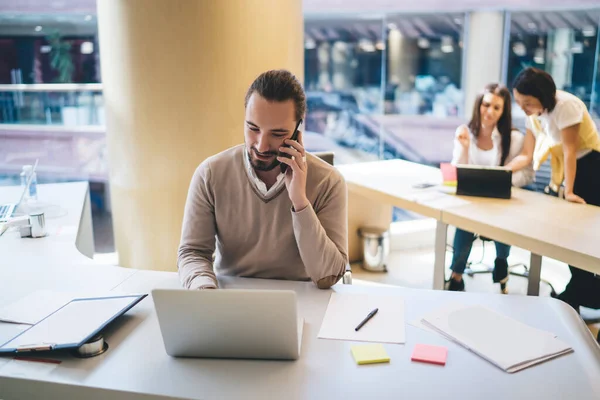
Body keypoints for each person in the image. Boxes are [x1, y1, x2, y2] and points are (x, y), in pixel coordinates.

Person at [177, 70, 348, 290]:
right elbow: (193, 253)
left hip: (303, 303)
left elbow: (328, 276)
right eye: (253, 128)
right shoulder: (210, 174)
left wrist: (299, 200)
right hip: (230, 301)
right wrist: (204, 290)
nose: (261, 145)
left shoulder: (329, 182)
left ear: (298, 130)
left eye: (277, 134)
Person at [509, 67, 600, 312]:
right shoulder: (534, 113)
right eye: (519, 103)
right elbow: (527, 154)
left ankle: (569, 300)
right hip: (569, 172)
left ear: (543, 96)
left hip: (590, 167)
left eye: (526, 102)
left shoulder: (566, 105)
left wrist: (568, 191)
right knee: (572, 243)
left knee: (586, 241)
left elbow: (571, 151)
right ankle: (571, 302)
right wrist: (502, 173)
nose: (523, 108)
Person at [447, 83, 534, 293]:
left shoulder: (513, 139)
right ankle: (456, 276)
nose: (489, 112)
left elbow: (528, 174)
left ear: (503, 112)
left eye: (497, 108)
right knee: (464, 225)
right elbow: (457, 170)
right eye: (486, 105)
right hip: (473, 202)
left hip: (501, 202)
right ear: (479, 105)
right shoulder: (466, 133)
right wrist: (465, 148)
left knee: (503, 222)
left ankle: (501, 262)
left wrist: (503, 181)